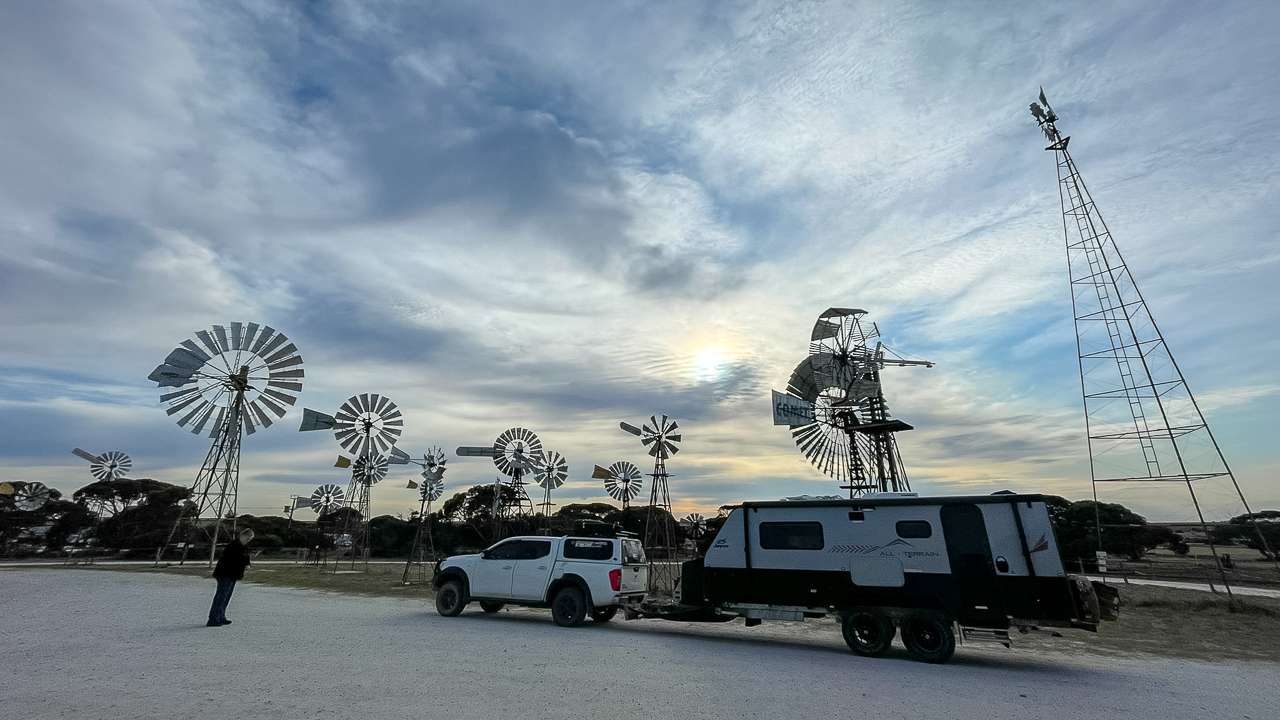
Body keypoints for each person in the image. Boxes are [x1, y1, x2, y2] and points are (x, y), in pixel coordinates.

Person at [207, 528, 253, 627]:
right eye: (248, 538)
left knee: (226, 597)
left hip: (233, 575)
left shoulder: (243, 546)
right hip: (225, 574)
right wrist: (244, 563)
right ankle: (213, 619)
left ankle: (221, 616)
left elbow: (246, 557)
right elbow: (234, 559)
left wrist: (247, 564)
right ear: (242, 535)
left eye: (250, 539)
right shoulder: (233, 545)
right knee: (221, 596)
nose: (248, 540)